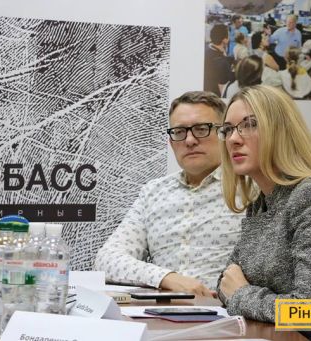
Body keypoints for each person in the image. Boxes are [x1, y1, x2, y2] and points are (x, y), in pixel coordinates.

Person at [215, 86, 311, 340]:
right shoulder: (260, 203)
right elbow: (225, 281)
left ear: (281, 131)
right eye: (228, 129)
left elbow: (309, 310)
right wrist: (238, 291)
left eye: (250, 124)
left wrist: (242, 294)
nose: (233, 139)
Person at [95, 91, 242, 296]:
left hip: (226, 310)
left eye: (201, 129)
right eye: (179, 132)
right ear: (171, 142)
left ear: (224, 134)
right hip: (159, 310)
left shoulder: (250, 188)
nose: (189, 140)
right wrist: (166, 278)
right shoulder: (154, 192)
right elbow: (106, 260)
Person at [204, 24, 235, 96]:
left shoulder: (208, 49)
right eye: (228, 35)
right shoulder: (221, 62)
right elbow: (222, 91)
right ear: (224, 39)